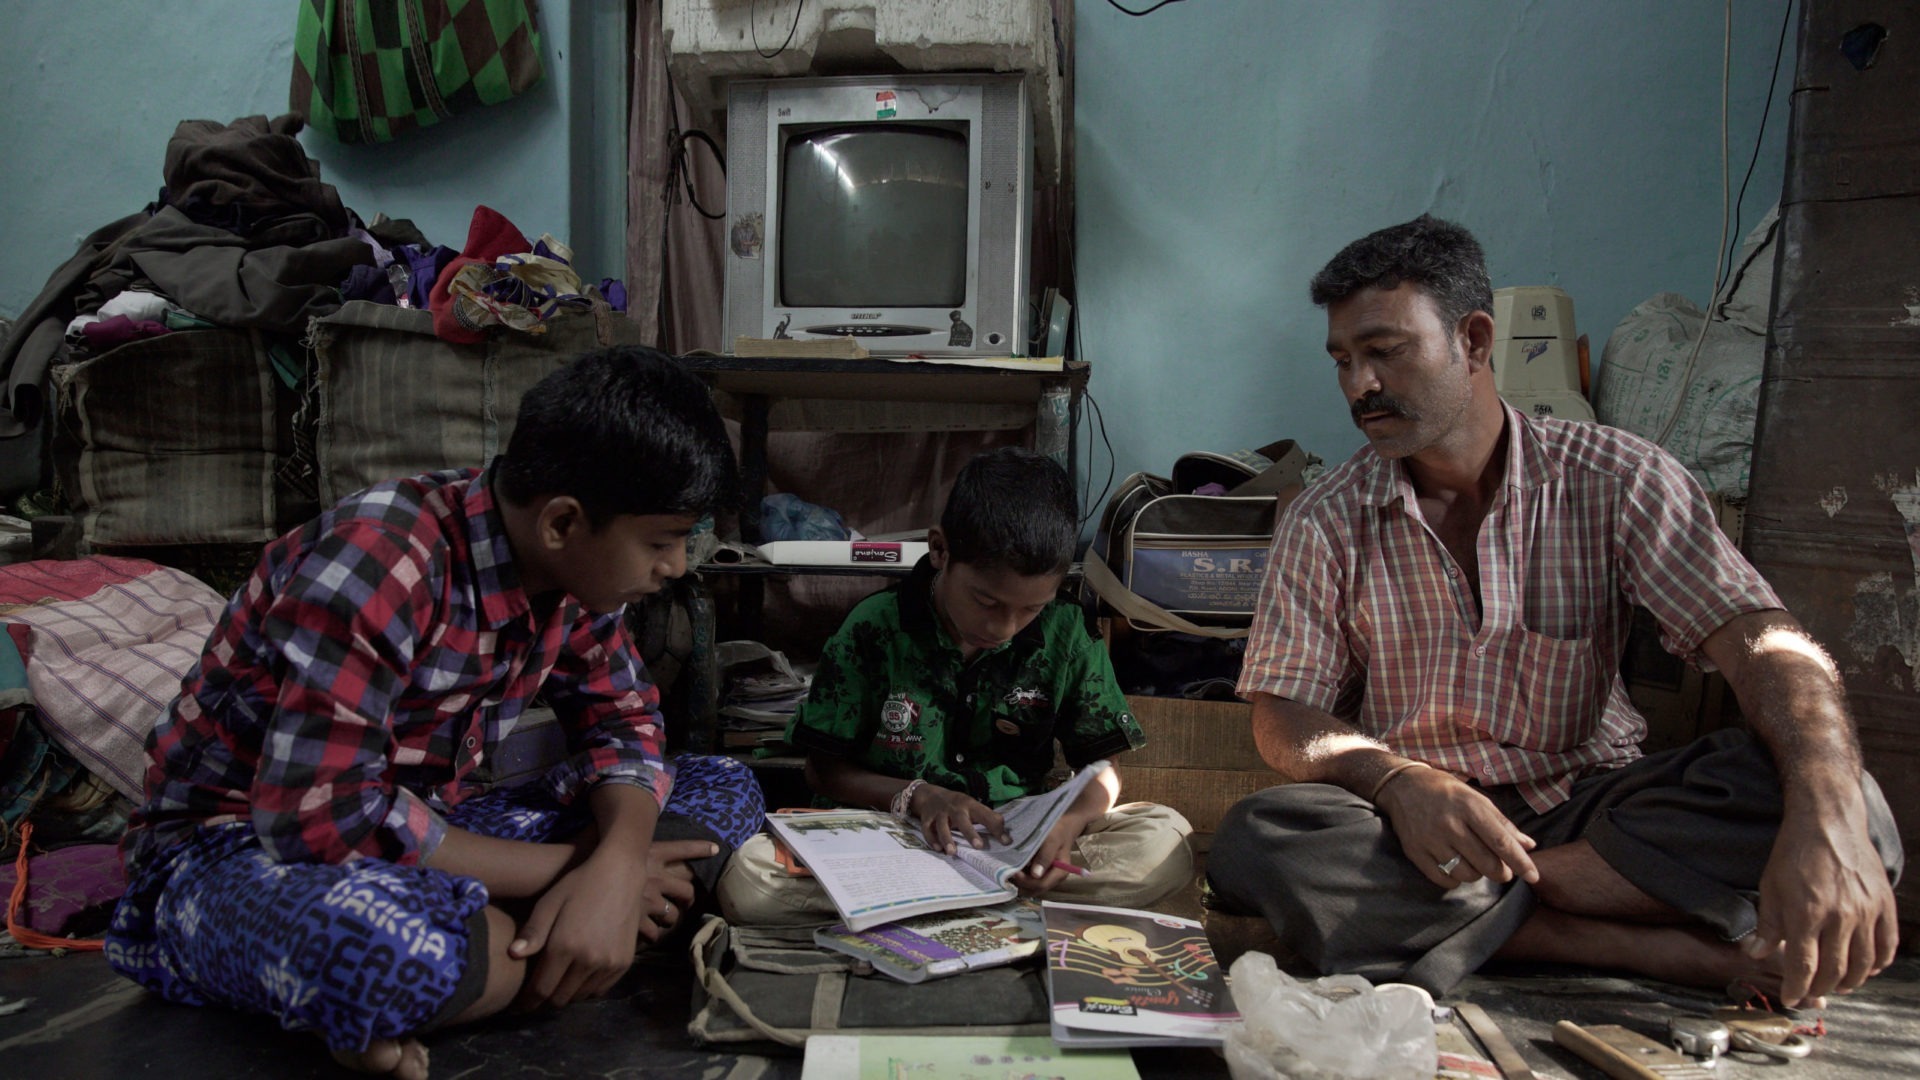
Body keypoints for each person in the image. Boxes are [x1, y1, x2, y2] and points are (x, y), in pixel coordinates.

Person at [1207, 215, 1902, 1006]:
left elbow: (1765, 643)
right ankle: (1644, 946)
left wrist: (1824, 809)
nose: (1359, 385)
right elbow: (1284, 715)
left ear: (1474, 341)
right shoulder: (1325, 516)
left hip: (1598, 818)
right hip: (1423, 828)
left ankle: (1517, 900)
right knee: (1262, 841)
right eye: (1343, 360)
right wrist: (1393, 779)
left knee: (1849, 806)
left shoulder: (1618, 477)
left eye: (1384, 351)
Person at [105, 346, 766, 1080]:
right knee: (383, 951)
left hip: (431, 826)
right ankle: (557, 939)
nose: (676, 567)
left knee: (723, 782)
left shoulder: (577, 577)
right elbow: (321, 819)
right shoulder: (378, 559)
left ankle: (524, 945)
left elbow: (624, 724)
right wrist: (578, 875)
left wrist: (614, 866)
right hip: (239, 849)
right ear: (562, 522)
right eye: (662, 542)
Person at [716, 447, 1193, 923]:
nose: (1005, 627)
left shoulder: (1066, 630)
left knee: (1165, 841)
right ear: (940, 549)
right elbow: (824, 773)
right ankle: (982, 903)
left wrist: (1068, 823)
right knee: (754, 879)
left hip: (1012, 838)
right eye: (986, 600)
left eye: (1030, 609)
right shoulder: (874, 627)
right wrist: (920, 796)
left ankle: (942, 902)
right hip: (896, 832)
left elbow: (1101, 770)